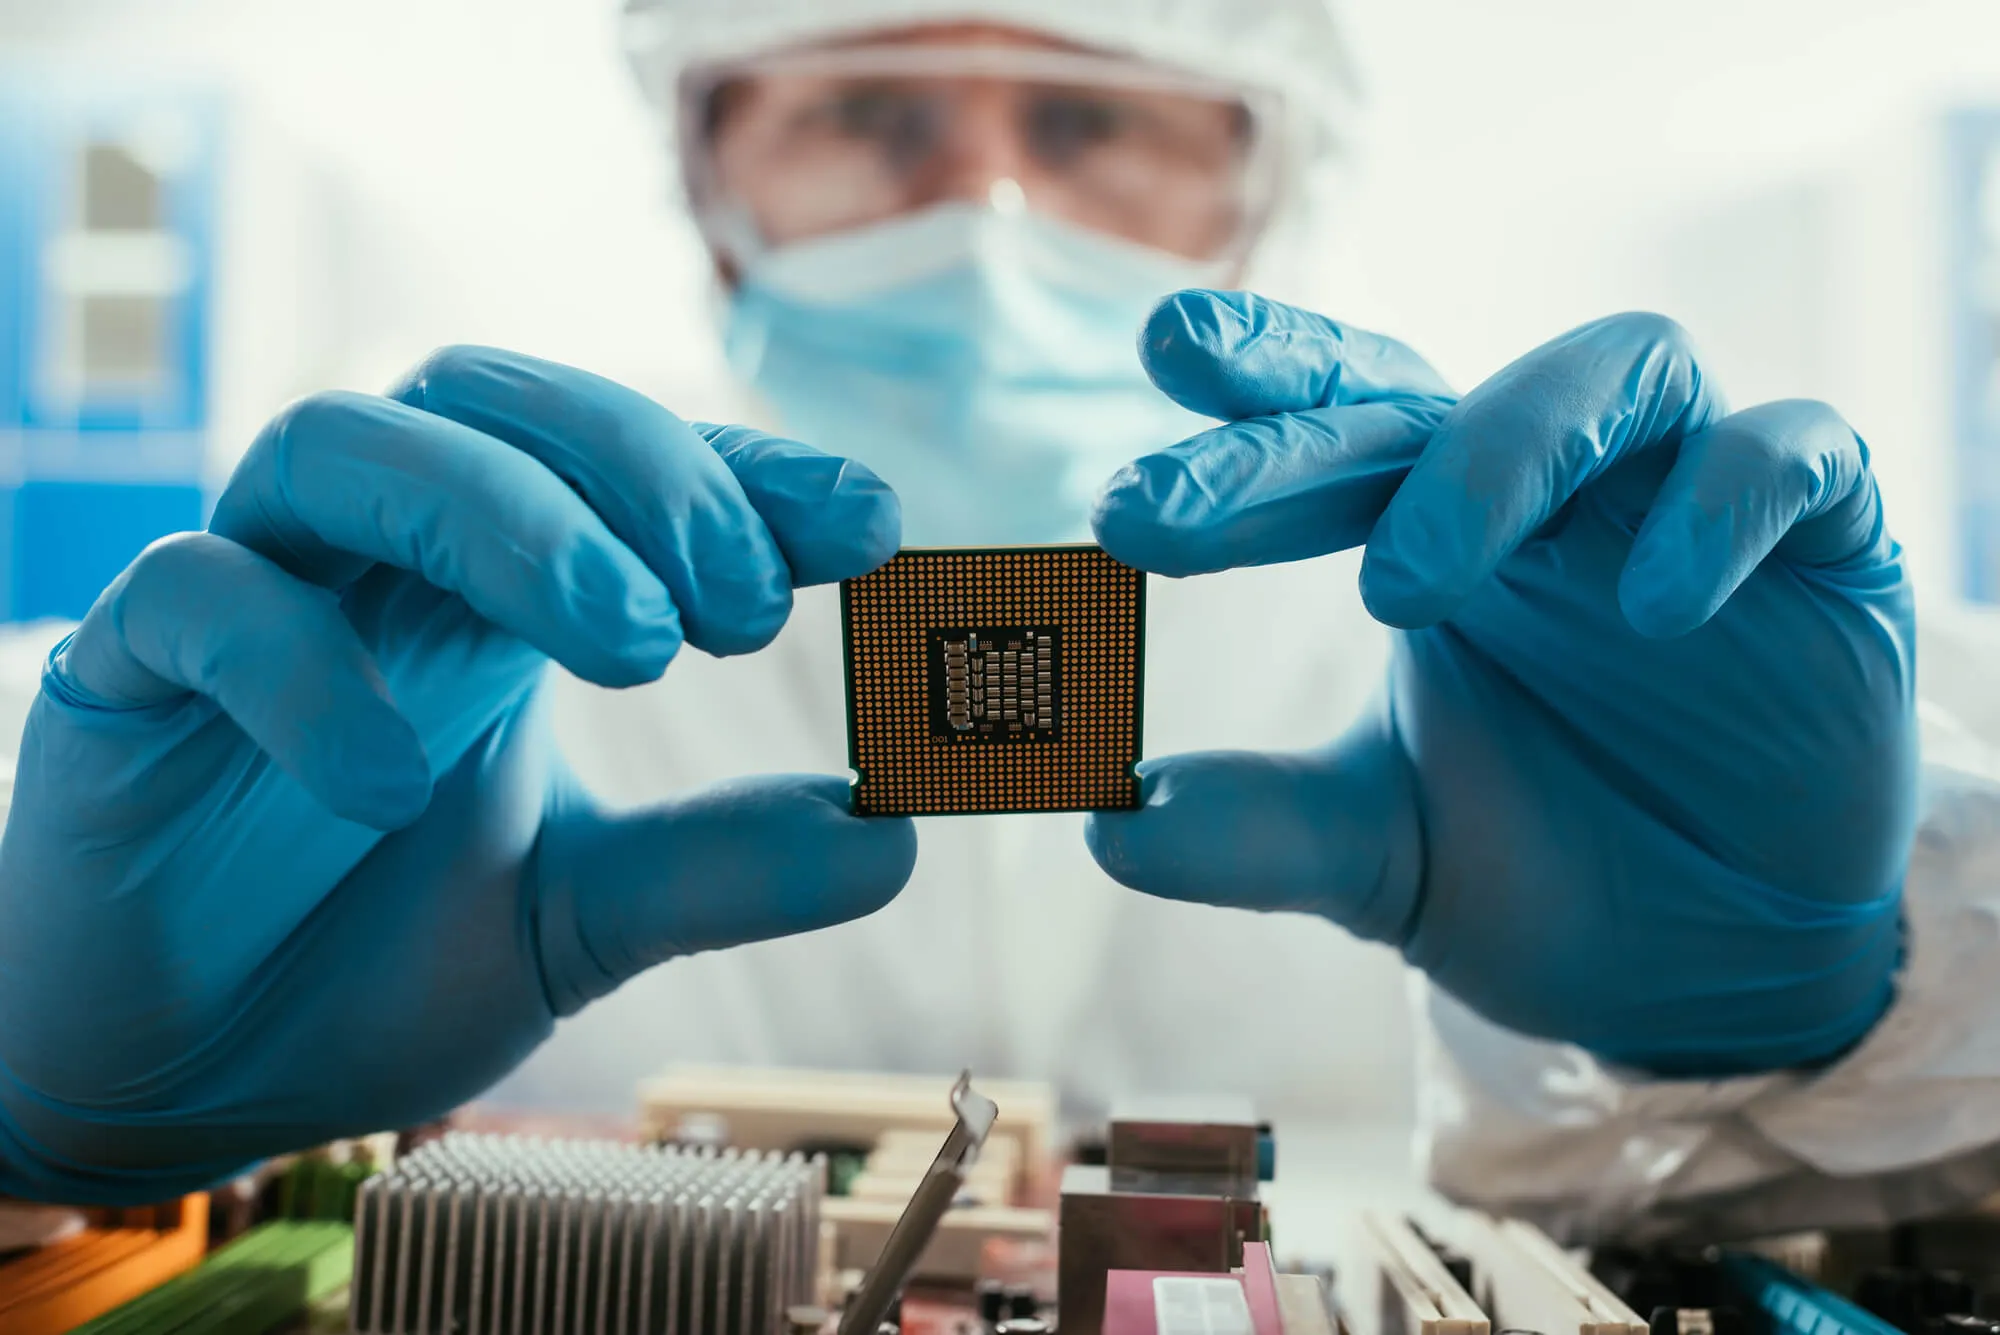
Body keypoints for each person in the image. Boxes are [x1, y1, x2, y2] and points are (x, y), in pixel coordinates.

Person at [1, 0, 1998, 1248]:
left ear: (1262, 179)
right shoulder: (442, 622)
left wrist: (1843, 1003)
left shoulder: (1576, 633)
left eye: (1092, 116)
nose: (982, 206)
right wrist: (26, 1118)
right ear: (705, 168)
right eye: (868, 115)